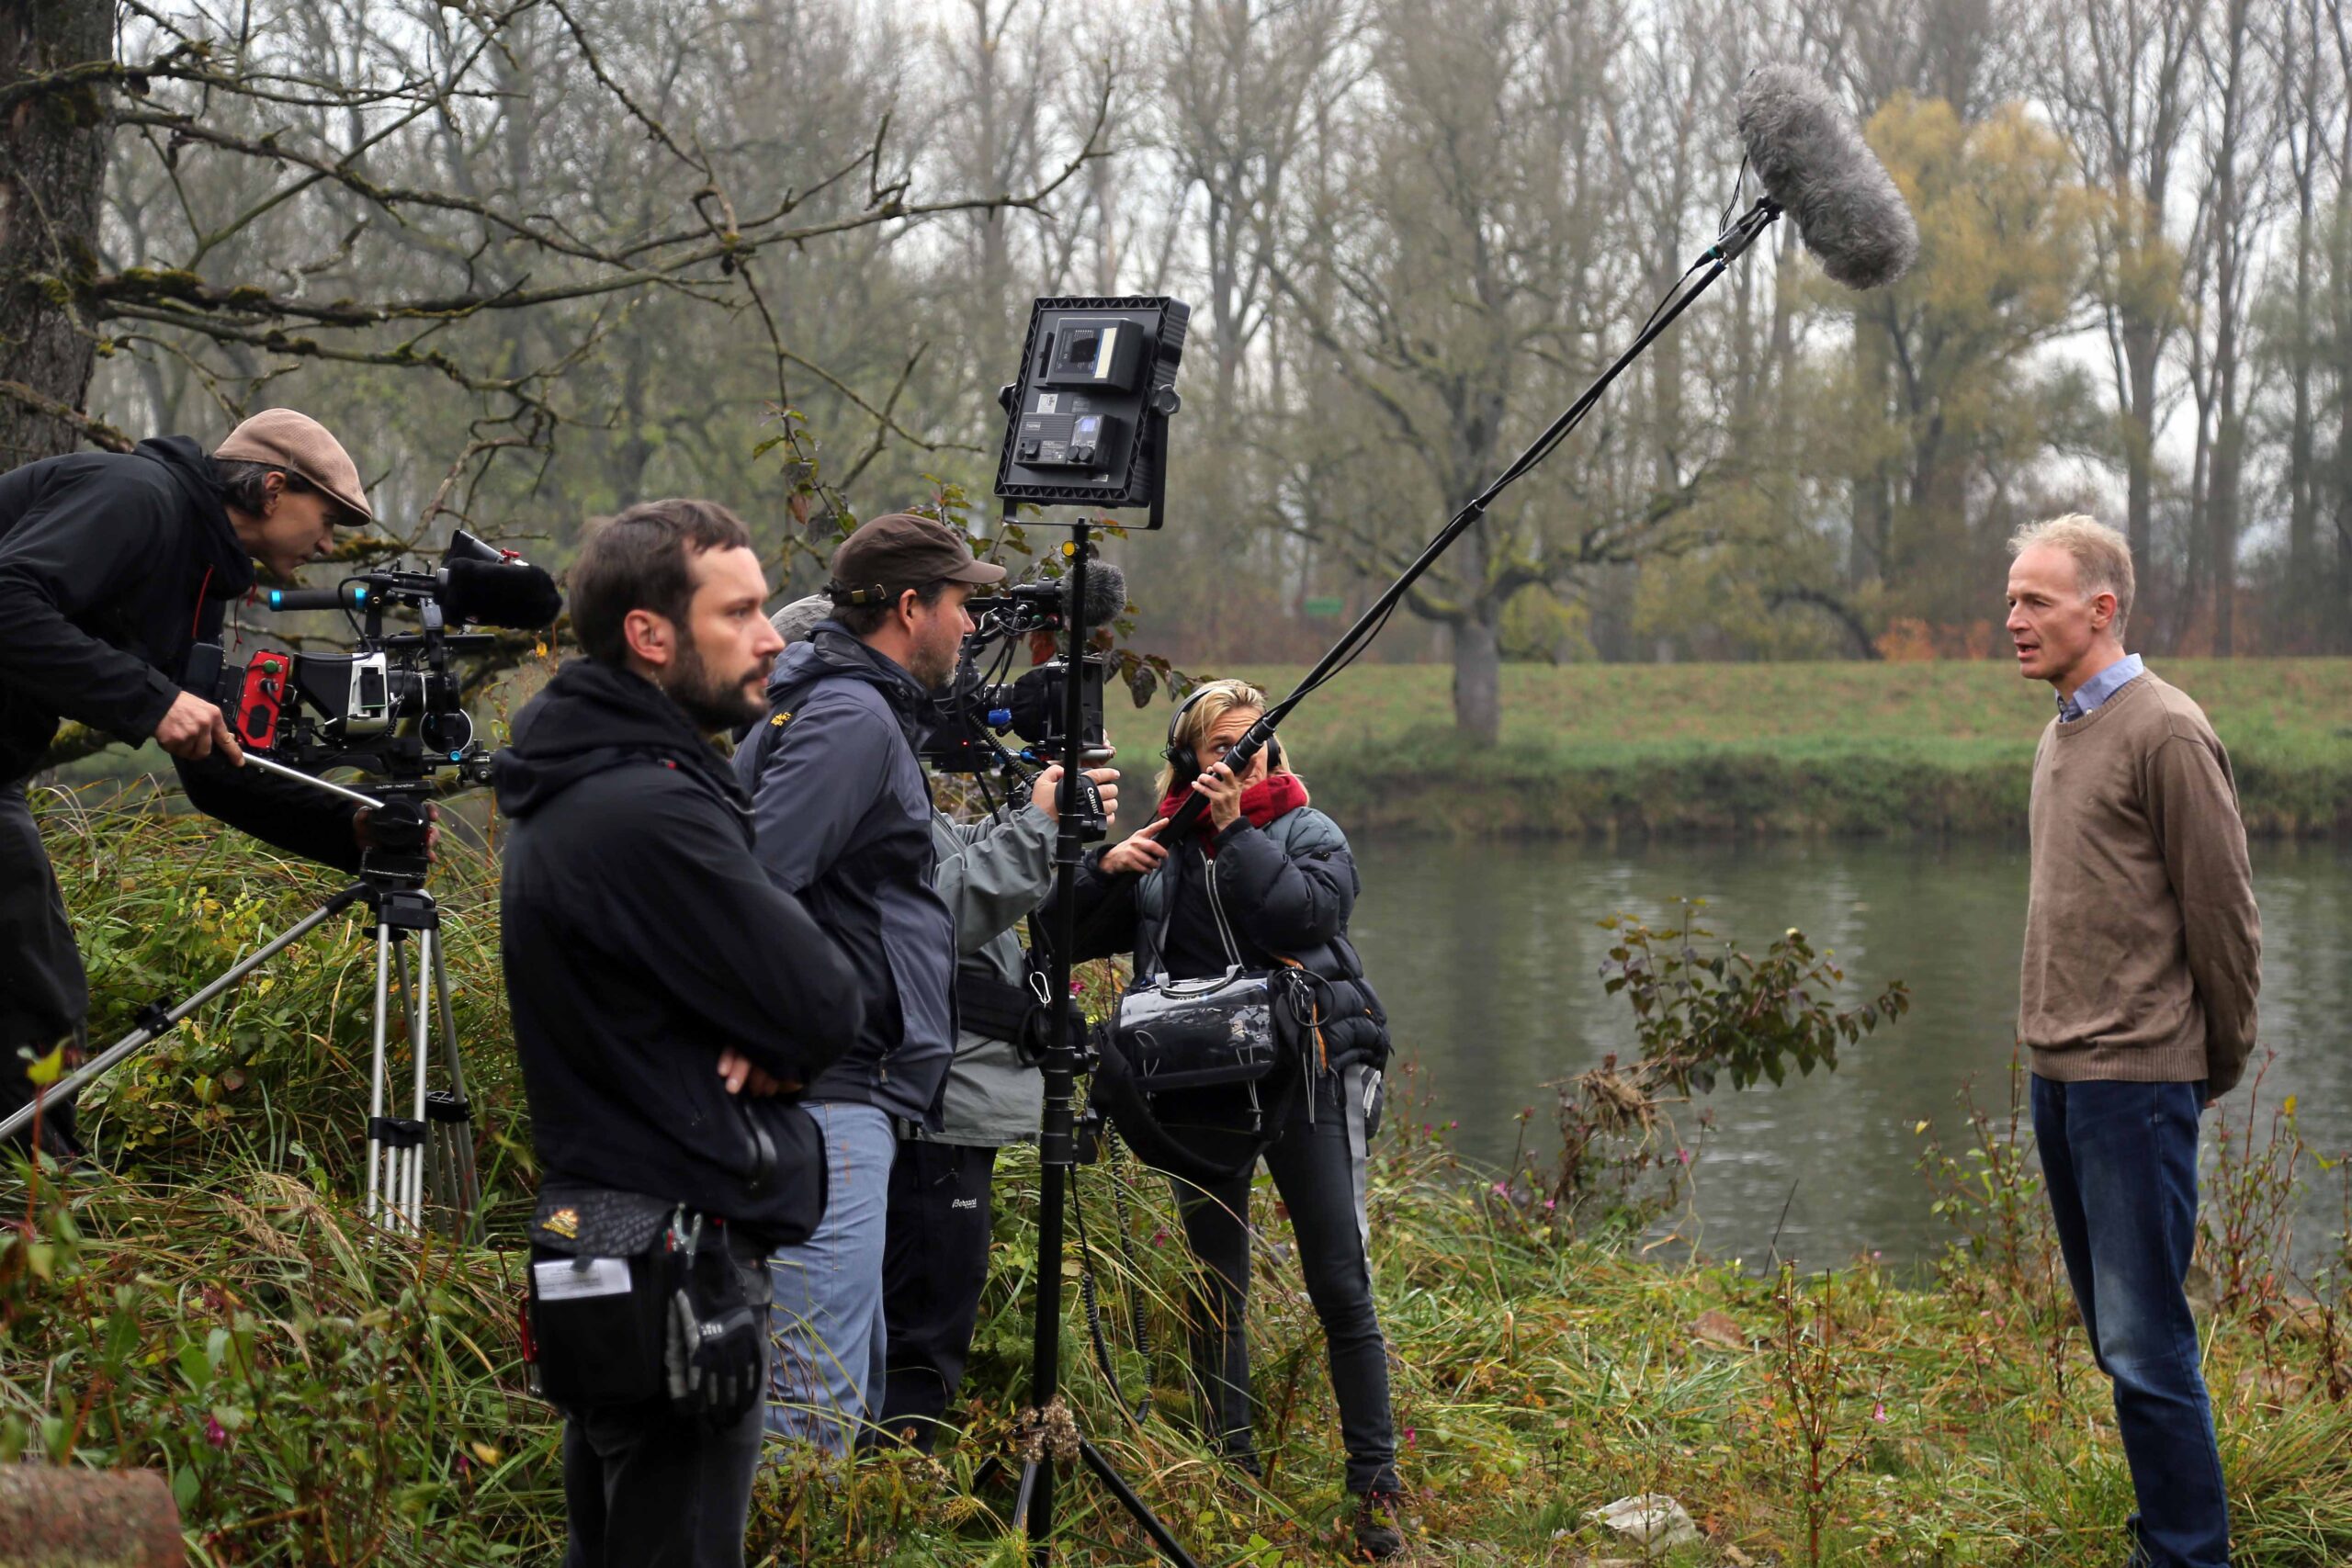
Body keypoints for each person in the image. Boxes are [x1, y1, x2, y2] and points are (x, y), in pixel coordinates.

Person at [495, 499, 863, 1568]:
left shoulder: (575, 788)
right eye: (739, 611)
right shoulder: (646, 807)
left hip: (595, 1233)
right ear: (650, 635)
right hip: (670, 1259)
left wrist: (768, 1018)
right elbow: (827, 1002)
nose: (773, 637)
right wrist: (782, 1028)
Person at [0, 411, 418, 1155]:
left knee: (42, 985)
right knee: (29, 982)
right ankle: (34, 1200)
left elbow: (212, 765)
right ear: (273, 489)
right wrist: (151, 698)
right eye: (326, 521)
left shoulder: (201, 582)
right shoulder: (137, 495)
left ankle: (36, 1202)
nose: (328, 545)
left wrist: (346, 827)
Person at [1066, 677, 1406, 1561]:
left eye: (1253, 740)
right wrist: (1107, 868)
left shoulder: (1304, 827)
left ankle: (1376, 1489)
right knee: (1216, 1288)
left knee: (1340, 1281)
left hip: (1309, 1074)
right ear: (1186, 754)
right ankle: (1230, 1477)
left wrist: (1235, 831)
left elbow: (1304, 912)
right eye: (1221, 743)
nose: (1239, 756)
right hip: (1203, 1087)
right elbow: (1060, 932)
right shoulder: (1164, 848)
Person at [2006, 514, 2259, 1568]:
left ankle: (2189, 1556)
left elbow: (2225, 921)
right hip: (2060, 1079)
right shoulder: (2062, 727)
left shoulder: (2164, 730)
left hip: (2134, 1082)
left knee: (2148, 1347)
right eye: (2011, 599)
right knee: (2119, 1342)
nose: (2011, 620)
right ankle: (2165, 1540)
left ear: (2100, 609)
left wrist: (2209, 1065)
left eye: (2035, 601)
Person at [732, 515, 1005, 1451]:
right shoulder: (850, 718)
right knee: (813, 1398)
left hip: (845, 1084)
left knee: (842, 1373)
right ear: (908, 607)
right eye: (962, 604)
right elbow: (757, 882)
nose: (971, 627)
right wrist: (783, 1038)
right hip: (832, 1086)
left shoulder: (834, 705)